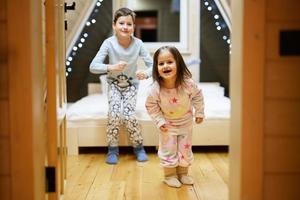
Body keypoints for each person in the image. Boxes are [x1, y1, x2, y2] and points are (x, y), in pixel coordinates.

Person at [90, 7, 152, 164]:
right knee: (115, 113)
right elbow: (93, 66)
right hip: (113, 85)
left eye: (129, 24)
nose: (125, 26)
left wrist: (146, 73)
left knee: (129, 115)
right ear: (114, 25)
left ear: (133, 26)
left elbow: (153, 66)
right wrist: (111, 67)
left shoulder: (138, 44)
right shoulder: (108, 43)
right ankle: (112, 149)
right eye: (121, 23)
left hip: (131, 85)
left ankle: (138, 147)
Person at [145, 46, 204, 188]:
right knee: (168, 150)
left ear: (178, 63)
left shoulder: (188, 84)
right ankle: (169, 175)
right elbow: (151, 106)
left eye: (169, 62)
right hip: (168, 125)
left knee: (185, 148)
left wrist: (200, 112)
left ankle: (183, 174)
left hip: (186, 124)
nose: (165, 66)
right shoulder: (155, 89)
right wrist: (159, 121)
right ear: (156, 68)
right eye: (161, 63)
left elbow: (198, 96)